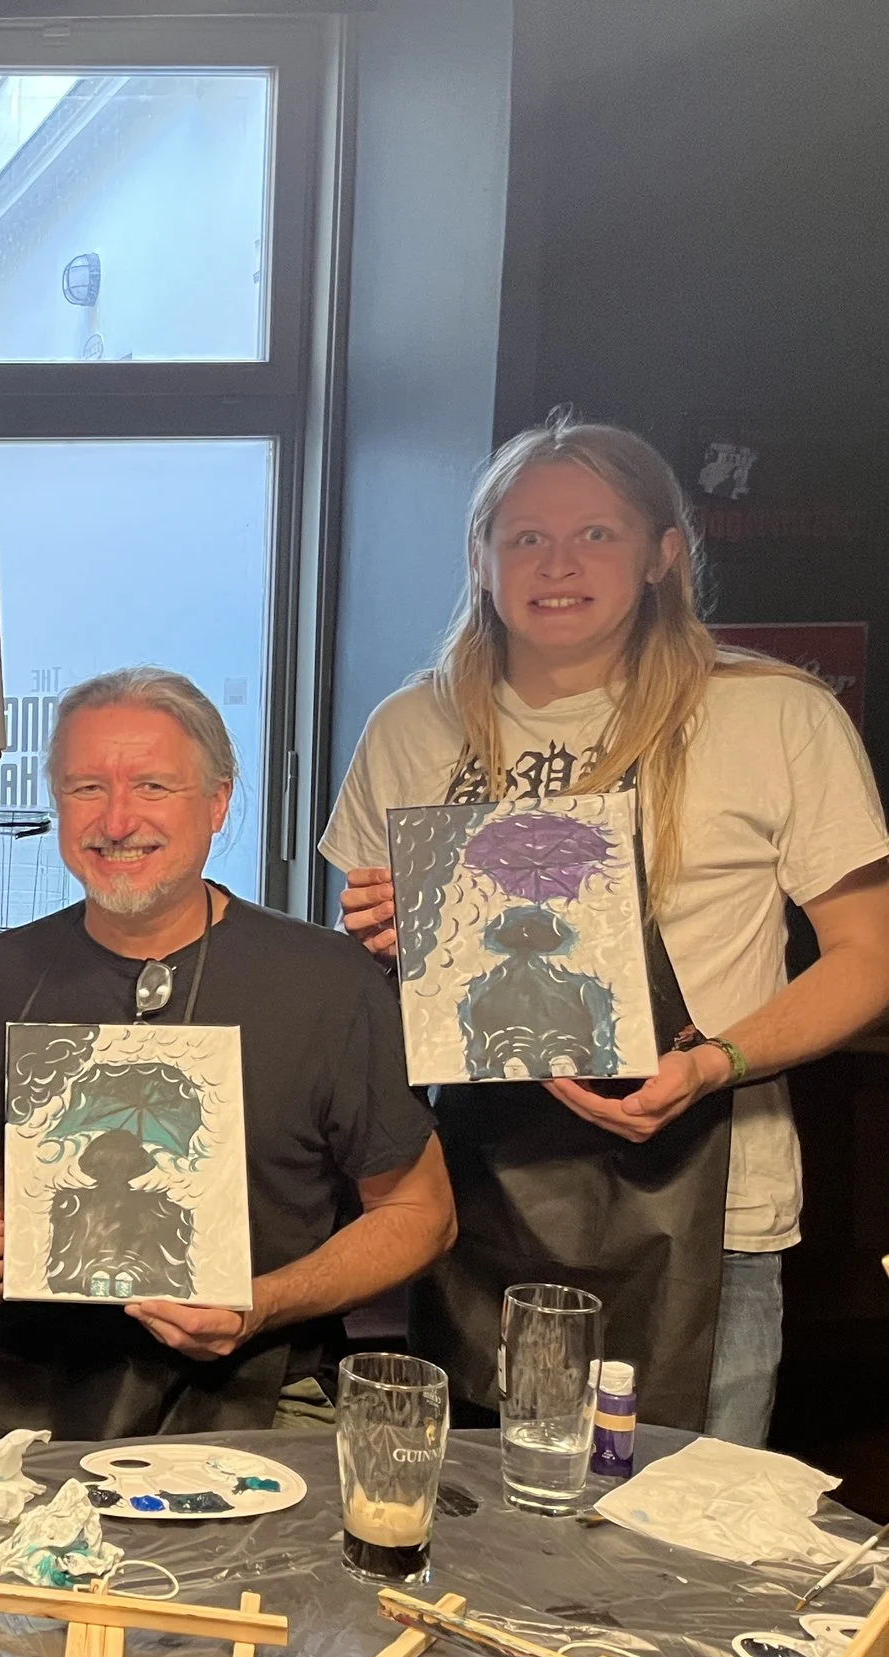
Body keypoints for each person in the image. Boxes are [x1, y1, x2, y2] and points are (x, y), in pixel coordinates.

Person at [322, 417, 889, 1442]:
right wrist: (397, 944)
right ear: (481, 560)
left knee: (675, 1559)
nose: (557, 564)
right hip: (480, 1192)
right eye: (525, 538)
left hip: (710, 1209)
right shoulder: (415, 726)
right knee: (473, 1547)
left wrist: (715, 1062)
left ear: (663, 554)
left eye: (595, 534)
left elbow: (870, 958)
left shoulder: (774, 715)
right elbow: (367, 977)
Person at [0, 670, 455, 1443]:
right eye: (87, 787)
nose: (118, 819)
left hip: (255, 1384)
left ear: (218, 802)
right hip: (20, 1377)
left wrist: (261, 1302)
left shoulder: (329, 982)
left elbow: (421, 1213)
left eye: (154, 786)